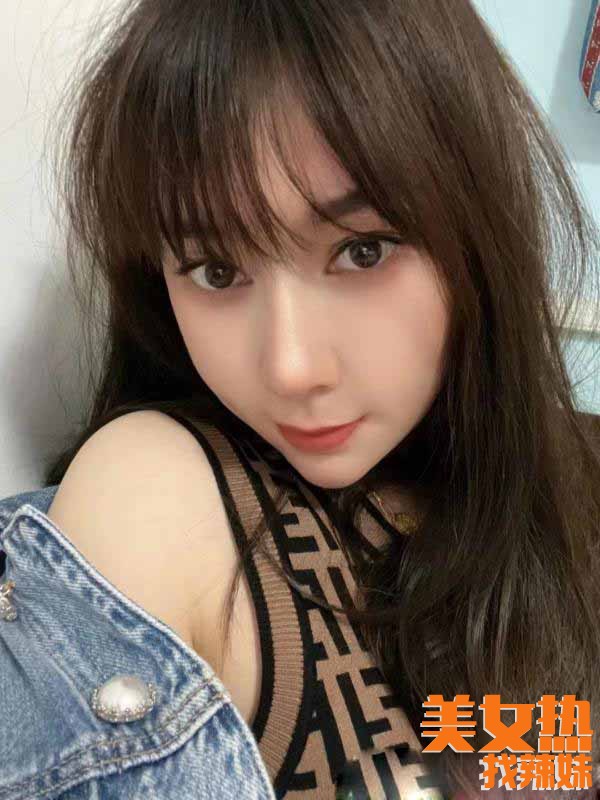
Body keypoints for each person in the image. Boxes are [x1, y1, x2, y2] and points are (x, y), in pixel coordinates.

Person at [1, 0, 599, 797]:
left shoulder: (576, 481)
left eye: (363, 250)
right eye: (215, 270)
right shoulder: (163, 488)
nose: (290, 368)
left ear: (477, 231)